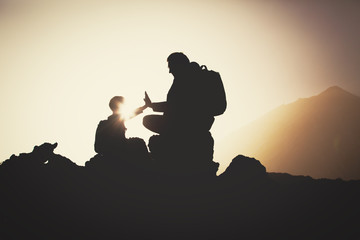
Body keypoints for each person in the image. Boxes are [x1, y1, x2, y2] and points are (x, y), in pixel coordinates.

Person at [143, 52, 214, 135]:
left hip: (186, 123)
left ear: (178, 65)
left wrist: (151, 105)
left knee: (147, 120)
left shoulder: (187, 80)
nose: (170, 71)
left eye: (171, 67)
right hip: (200, 124)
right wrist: (151, 105)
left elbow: (175, 106)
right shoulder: (189, 77)